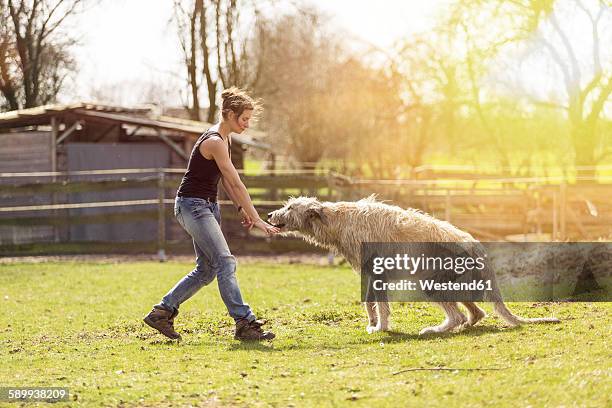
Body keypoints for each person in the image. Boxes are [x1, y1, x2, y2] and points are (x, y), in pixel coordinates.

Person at [143, 87, 279, 341]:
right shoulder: (215, 141)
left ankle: (162, 312)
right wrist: (257, 218)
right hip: (192, 206)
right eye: (244, 119)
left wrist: (241, 208)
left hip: (205, 206)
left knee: (207, 269)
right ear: (229, 114)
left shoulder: (224, 139)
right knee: (225, 262)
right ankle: (244, 322)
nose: (247, 125)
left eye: (249, 119)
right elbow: (237, 183)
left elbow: (226, 181)